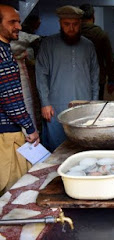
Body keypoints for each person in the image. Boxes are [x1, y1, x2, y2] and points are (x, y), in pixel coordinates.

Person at [36, 5, 99, 152]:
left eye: (75, 24)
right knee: (56, 145)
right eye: (67, 24)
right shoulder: (48, 44)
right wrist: (45, 103)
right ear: (60, 23)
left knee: (82, 143)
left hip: (84, 103)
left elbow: (95, 75)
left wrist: (94, 102)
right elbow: (41, 75)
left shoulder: (88, 46)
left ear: (80, 24)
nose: (71, 28)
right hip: (55, 104)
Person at [0, 4, 40, 195]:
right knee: (15, 190)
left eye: (18, 21)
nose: (19, 26)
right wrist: (30, 128)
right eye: (12, 22)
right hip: (6, 134)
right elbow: (11, 99)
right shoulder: (3, 56)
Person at [79, 4, 114, 100]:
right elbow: (109, 60)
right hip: (98, 77)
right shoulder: (101, 34)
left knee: (79, 104)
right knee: (96, 104)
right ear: (93, 16)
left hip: (78, 77)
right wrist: (111, 80)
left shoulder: (74, 34)